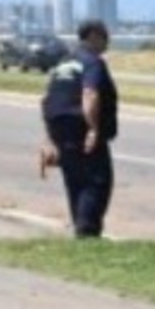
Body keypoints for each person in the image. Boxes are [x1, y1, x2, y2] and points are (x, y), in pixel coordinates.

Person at [40, 20, 119, 239]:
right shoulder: (92, 62)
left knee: (75, 181)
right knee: (97, 182)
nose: (108, 42)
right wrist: (93, 129)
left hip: (59, 128)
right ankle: (87, 232)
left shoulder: (63, 63)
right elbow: (90, 94)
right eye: (105, 36)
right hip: (81, 127)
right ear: (93, 36)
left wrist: (49, 139)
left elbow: (47, 100)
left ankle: (81, 228)